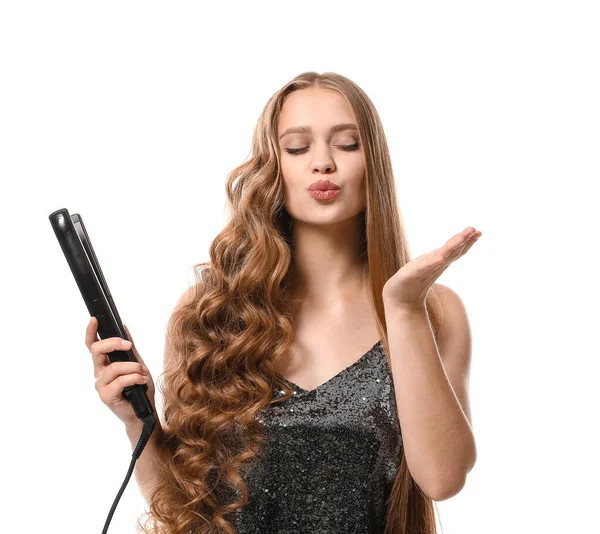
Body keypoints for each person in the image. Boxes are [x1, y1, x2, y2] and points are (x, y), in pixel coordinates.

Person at [87, 71, 480, 534]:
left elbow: (441, 478)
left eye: (348, 144)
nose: (323, 164)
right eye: (297, 148)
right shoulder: (208, 315)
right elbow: (182, 506)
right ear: (273, 166)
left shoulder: (432, 311)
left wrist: (403, 309)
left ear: (375, 160)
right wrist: (139, 424)